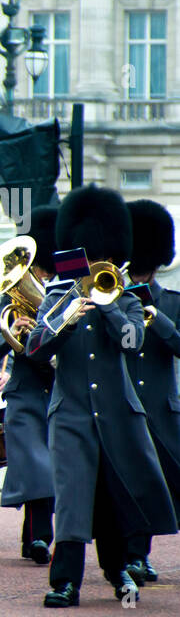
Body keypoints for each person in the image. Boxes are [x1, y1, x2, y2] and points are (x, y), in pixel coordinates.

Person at [25, 185, 177, 607]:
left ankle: (119, 570)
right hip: (70, 412)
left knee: (115, 496)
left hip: (117, 413)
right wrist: (67, 318)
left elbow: (132, 342)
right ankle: (65, 581)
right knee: (72, 498)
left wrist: (107, 303)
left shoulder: (127, 300)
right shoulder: (56, 298)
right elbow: (35, 348)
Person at [0, 206, 58, 564]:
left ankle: (35, 536)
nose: (39, 274)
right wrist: (17, 330)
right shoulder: (12, 298)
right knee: (34, 466)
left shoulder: (65, 294)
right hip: (25, 394)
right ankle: (41, 536)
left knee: (49, 468)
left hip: (56, 392)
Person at [122, 199, 180, 585]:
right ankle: (133, 556)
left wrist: (154, 317)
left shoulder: (172, 304)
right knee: (131, 483)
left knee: (164, 483)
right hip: (126, 406)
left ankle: (141, 553)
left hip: (160, 407)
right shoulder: (113, 299)